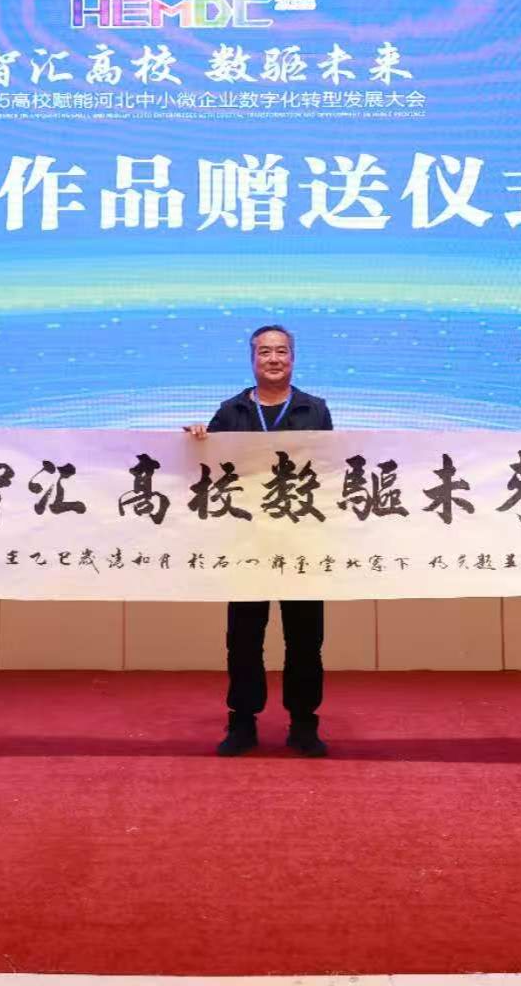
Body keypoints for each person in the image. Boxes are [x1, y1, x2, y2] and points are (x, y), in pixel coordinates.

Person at [185, 324, 334, 758]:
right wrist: (197, 439)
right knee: (244, 638)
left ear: (293, 358)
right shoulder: (232, 410)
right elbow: (208, 465)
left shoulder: (314, 409)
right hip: (246, 543)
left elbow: (330, 468)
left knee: (305, 639)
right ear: (252, 360)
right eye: (264, 352)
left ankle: (303, 724)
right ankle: (242, 723)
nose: (273, 359)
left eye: (281, 351)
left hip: (301, 543)